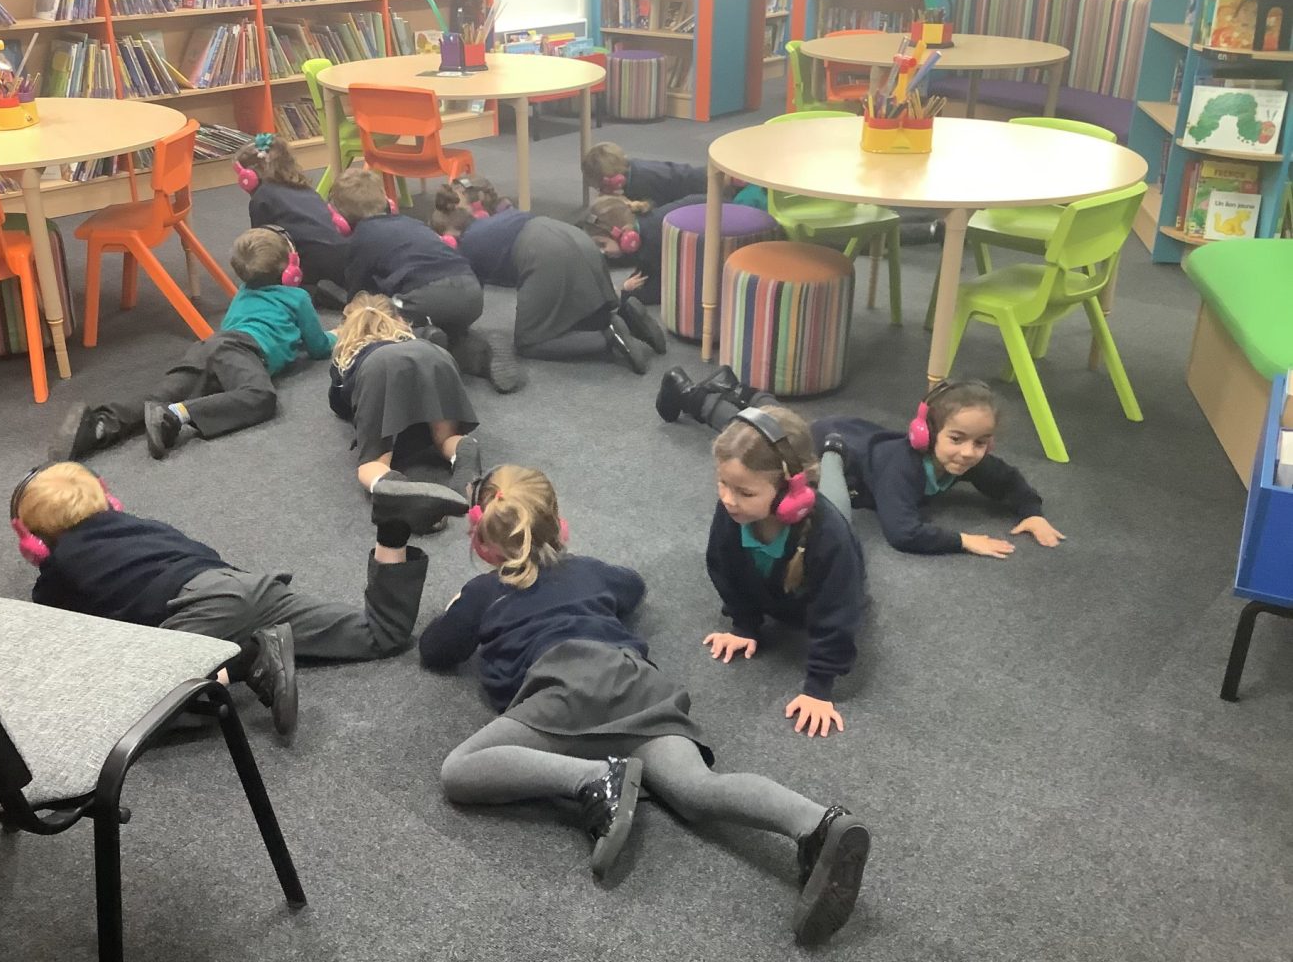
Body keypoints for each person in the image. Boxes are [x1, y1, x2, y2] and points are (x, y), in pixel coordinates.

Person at [417, 464, 871, 946]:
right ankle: (817, 822)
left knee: (460, 769)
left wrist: (456, 604)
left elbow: (436, 650)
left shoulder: (483, 592)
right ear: (558, 524)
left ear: (483, 541)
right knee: (696, 789)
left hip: (565, 691)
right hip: (638, 684)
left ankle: (593, 779)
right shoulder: (588, 570)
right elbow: (632, 587)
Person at [10, 462, 469, 742]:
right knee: (379, 634)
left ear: (35, 543)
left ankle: (247, 660)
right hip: (250, 588)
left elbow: (63, 638)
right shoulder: (145, 526)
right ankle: (392, 530)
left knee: (125, 710)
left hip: (196, 613)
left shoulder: (59, 569)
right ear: (109, 499)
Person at [52, 227, 336, 462]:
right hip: (244, 351)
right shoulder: (297, 298)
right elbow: (319, 347)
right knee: (260, 397)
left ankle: (99, 424)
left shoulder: (243, 292)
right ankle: (178, 415)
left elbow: (230, 330)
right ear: (289, 270)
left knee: (160, 394)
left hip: (209, 347)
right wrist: (338, 335)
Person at [707, 406, 867, 739]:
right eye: (722, 483)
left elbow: (839, 609)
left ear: (790, 492)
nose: (728, 499)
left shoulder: (830, 537)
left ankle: (833, 452)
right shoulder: (734, 511)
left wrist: (819, 687)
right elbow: (724, 568)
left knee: (837, 500)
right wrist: (744, 624)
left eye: (744, 492)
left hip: (826, 532)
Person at [811, 380, 1065, 557]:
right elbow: (902, 533)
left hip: (867, 440)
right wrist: (963, 540)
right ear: (927, 434)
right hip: (830, 445)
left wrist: (1032, 513)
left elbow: (1007, 480)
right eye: (956, 438)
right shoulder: (902, 468)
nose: (968, 452)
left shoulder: (966, 459)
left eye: (980, 442)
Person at [329, 167, 525, 394]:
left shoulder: (362, 239)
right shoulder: (413, 222)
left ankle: (423, 337)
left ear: (341, 220)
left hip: (425, 298)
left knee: (379, 322)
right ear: (388, 202)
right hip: (471, 292)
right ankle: (481, 353)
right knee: (447, 331)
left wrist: (349, 326)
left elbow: (360, 299)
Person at [430, 184, 665, 373]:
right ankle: (625, 316)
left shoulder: (468, 245)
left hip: (543, 255)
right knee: (577, 314)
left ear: (452, 236)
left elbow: (469, 300)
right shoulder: (496, 220)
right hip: (574, 237)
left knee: (529, 342)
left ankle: (607, 339)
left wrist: (450, 331)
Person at [330, 291, 481, 497]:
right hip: (434, 355)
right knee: (447, 437)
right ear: (399, 319)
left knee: (373, 461)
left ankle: (398, 490)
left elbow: (339, 405)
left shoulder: (347, 356)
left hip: (379, 367)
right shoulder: (412, 339)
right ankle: (462, 451)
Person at [234, 133, 350, 305]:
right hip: (345, 257)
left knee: (271, 278)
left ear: (249, 177)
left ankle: (316, 292)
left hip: (315, 265)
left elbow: (262, 244)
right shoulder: (305, 189)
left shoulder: (262, 198)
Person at [580, 193, 705, 305]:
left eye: (602, 244)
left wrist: (625, 294)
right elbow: (644, 270)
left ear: (622, 234)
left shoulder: (653, 242)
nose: (602, 251)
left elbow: (662, 291)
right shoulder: (641, 225)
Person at [580, 141, 707, 206]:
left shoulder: (641, 182)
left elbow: (659, 211)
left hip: (701, 188)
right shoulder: (631, 169)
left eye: (602, 187)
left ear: (613, 181)